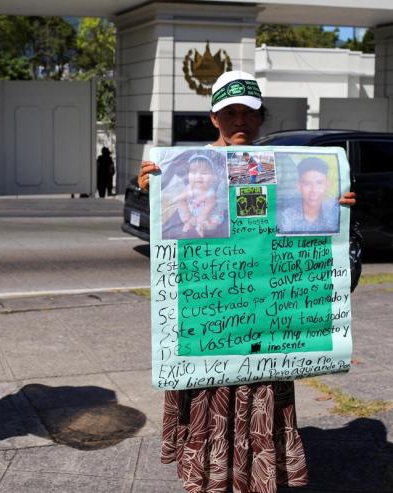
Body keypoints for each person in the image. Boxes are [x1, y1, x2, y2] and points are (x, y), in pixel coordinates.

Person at [138, 70, 357, 493]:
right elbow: (170, 246)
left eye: (249, 113)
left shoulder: (278, 169)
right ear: (214, 118)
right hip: (209, 329)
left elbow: (304, 231)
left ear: (261, 119)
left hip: (265, 332)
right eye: (230, 112)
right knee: (209, 410)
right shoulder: (186, 169)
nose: (240, 121)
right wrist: (153, 191)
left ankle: (256, 478)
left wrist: (337, 206)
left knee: (262, 406)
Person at [165, 153, 226, 239]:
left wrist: (201, 219)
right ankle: (188, 222)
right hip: (193, 211)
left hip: (210, 213)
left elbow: (209, 206)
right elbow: (182, 198)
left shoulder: (210, 192)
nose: (198, 176)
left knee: (214, 223)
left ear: (212, 177)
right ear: (188, 175)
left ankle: (204, 227)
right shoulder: (189, 188)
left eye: (204, 173)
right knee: (181, 208)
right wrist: (186, 213)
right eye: (193, 173)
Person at [277, 156, 340, 234]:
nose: (314, 190)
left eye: (319, 183)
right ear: (299, 186)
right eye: (307, 184)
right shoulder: (287, 217)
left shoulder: (335, 211)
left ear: (327, 184)